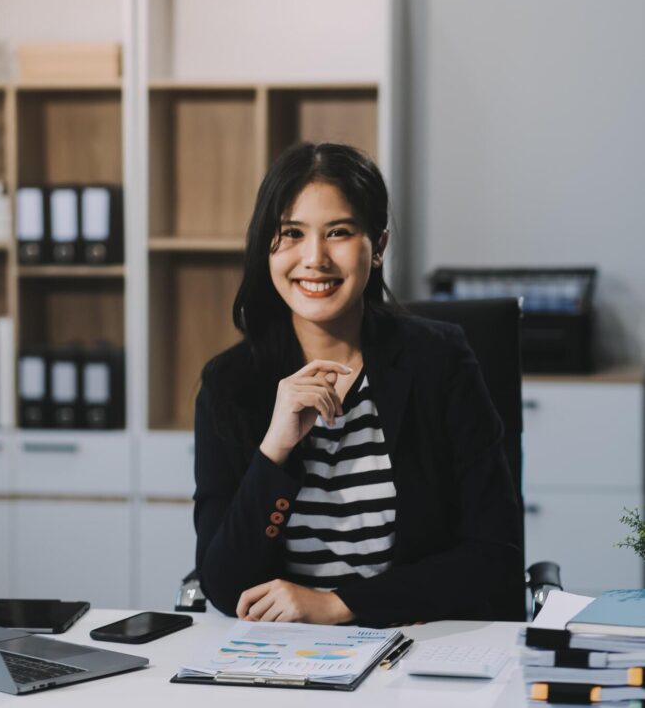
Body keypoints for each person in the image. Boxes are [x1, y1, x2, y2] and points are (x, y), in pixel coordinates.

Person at [194, 142, 522, 627]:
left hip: (416, 645)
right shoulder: (231, 383)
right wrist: (274, 450)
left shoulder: (439, 362)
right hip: (280, 658)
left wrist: (339, 605)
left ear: (379, 246)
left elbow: (494, 552)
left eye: (339, 233)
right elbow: (223, 584)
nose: (314, 258)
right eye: (291, 233)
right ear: (267, 245)